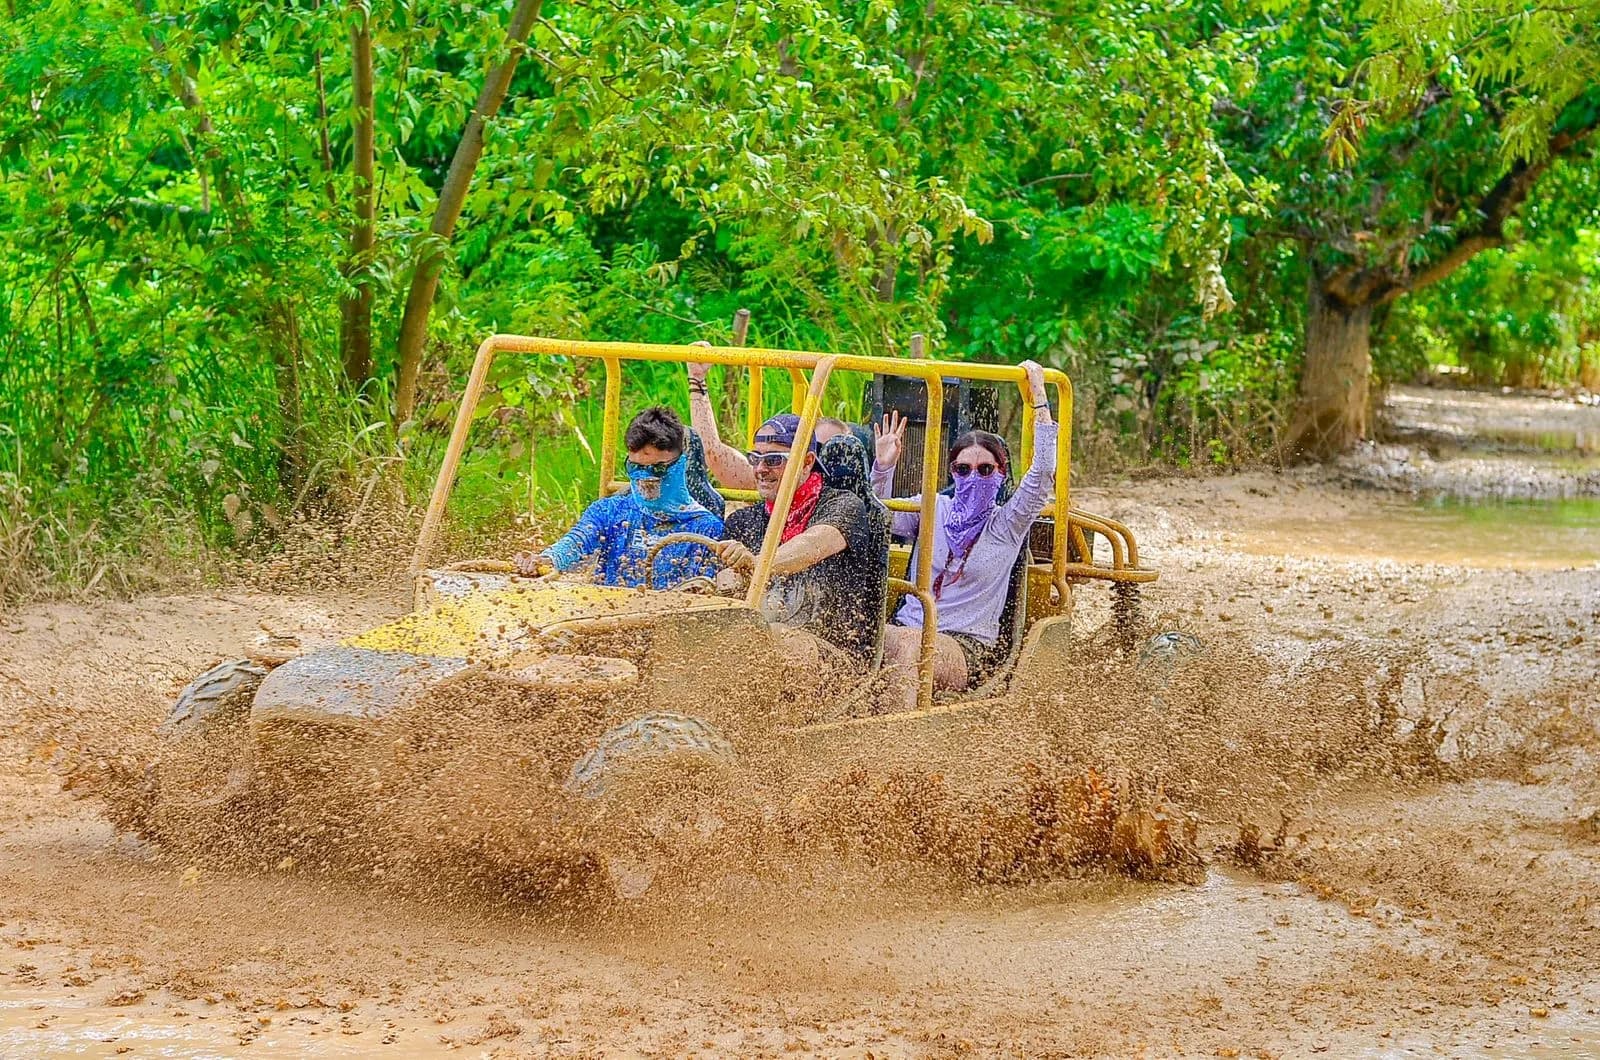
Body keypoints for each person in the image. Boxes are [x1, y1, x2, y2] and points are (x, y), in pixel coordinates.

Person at [871, 360, 1055, 707]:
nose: (973, 478)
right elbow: (879, 518)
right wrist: (884, 466)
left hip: (965, 644)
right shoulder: (932, 508)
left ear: (1000, 474)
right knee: (865, 638)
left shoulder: (1006, 524)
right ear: (952, 472)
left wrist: (1039, 399)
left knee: (911, 647)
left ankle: (895, 742)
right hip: (905, 627)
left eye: (985, 470)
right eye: (963, 469)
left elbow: (1043, 473)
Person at [710, 413, 884, 679]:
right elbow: (728, 589)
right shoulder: (743, 522)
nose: (760, 469)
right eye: (755, 459)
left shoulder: (844, 506)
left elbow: (814, 544)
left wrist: (757, 564)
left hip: (836, 658)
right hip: (761, 641)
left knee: (775, 638)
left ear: (806, 462)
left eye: (774, 460)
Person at [512, 407, 723, 588]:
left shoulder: (708, 529)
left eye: (657, 469)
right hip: (603, 621)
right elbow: (575, 542)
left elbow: (703, 593)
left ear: (681, 464)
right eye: (636, 468)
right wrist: (549, 558)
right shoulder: (609, 511)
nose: (645, 479)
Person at [685, 347, 883, 490]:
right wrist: (697, 380)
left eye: (838, 450)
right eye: (818, 447)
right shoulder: (777, 473)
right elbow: (713, 453)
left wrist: (885, 466)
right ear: (804, 457)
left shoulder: (855, 494)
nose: (824, 459)